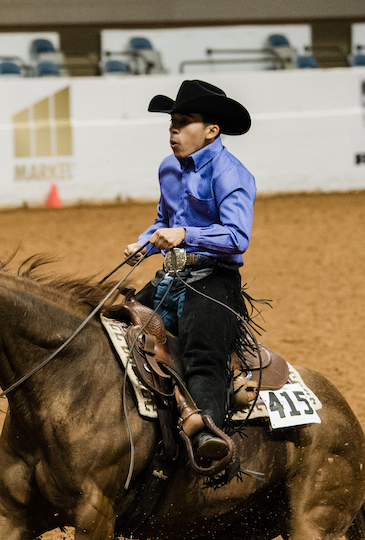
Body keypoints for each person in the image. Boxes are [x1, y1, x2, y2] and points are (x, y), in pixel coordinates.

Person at [124, 79, 256, 464]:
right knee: (120, 329)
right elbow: (162, 220)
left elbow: (236, 237)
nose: (173, 131)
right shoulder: (169, 168)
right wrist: (143, 243)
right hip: (172, 278)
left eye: (183, 122)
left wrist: (185, 234)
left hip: (215, 278)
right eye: (171, 123)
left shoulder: (232, 174)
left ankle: (209, 436)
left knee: (202, 354)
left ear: (211, 130)